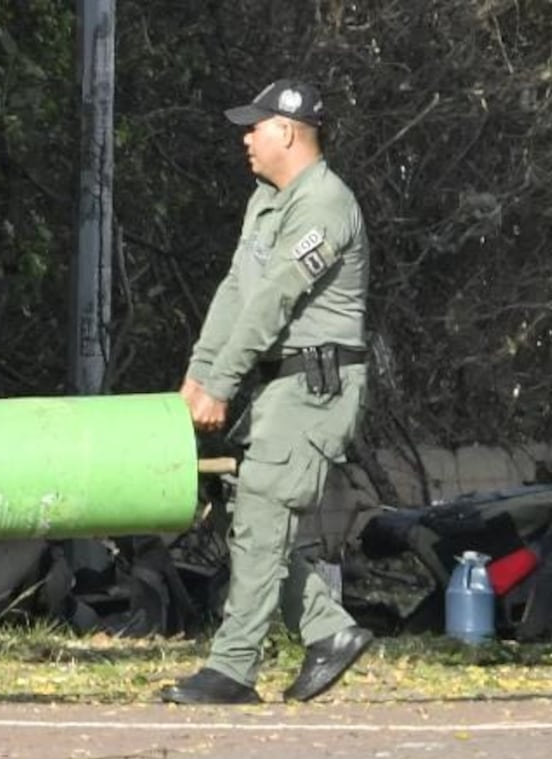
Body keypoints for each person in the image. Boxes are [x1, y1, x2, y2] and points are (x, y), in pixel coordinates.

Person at [162, 79, 375, 704]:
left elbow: (278, 298)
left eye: (255, 126)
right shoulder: (268, 201)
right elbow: (238, 290)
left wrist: (221, 383)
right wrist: (200, 375)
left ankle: (232, 669)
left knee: (258, 515)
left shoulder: (326, 207)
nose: (245, 137)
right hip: (280, 383)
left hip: (315, 382)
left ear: (286, 131)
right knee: (246, 515)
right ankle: (329, 630)